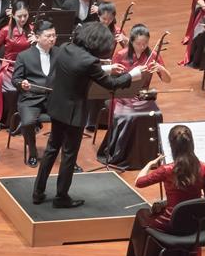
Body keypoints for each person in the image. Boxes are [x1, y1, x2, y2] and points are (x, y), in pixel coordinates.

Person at [32, 22, 145, 208]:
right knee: (69, 155)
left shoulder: (64, 48)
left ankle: (38, 192)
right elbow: (111, 85)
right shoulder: (90, 61)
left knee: (52, 149)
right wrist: (132, 75)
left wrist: (106, 68)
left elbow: (79, 70)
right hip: (73, 114)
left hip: (57, 107)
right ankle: (61, 197)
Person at [124, 125, 205, 256]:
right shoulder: (204, 168)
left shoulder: (166, 169)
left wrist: (149, 164)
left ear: (172, 145)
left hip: (170, 224)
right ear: (191, 143)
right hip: (195, 225)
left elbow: (139, 182)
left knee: (142, 214)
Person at [96, 24, 170, 167]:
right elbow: (111, 80)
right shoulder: (120, 55)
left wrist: (161, 68)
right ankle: (123, 153)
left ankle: (148, 155)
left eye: (145, 44)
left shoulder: (153, 56)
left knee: (156, 114)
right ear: (131, 41)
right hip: (121, 95)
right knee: (127, 117)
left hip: (142, 95)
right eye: (138, 43)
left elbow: (167, 80)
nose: (142, 47)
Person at [12, 20, 58, 167]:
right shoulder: (24, 56)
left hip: (53, 98)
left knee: (68, 120)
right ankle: (32, 152)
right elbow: (16, 79)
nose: (52, 39)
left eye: (54, 36)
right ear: (37, 37)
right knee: (28, 122)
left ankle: (58, 152)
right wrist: (22, 84)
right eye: (48, 36)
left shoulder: (60, 53)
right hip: (31, 98)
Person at [0, 1, 33, 128]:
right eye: (20, 16)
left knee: (30, 88)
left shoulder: (32, 30)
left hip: (27, 67)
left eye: (25, 15)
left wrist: (37, 41)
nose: (23, 19)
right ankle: (11, 123)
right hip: (9, 67)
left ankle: (27, 121)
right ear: (13, 15)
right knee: (12, 90)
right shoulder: (5, 30)